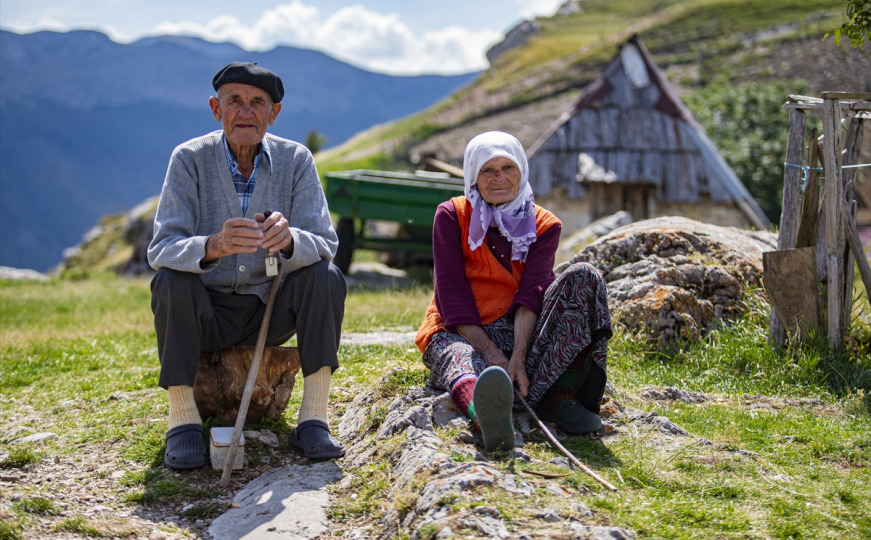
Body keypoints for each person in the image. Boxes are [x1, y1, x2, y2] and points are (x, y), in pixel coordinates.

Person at [148, 62, 347, 469]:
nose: (245, 111)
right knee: (170, 280)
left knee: (325, 277)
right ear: (214, 108)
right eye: (234, 101)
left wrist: (292, 239)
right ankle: (183, 422)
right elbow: (162, 247)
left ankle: (313, 419)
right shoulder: (188, 159)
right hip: (206, 311)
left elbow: (326, 241)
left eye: (257, 102)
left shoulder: (297, 160)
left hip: (269, 309)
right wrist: (212, 246)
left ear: (273, 114)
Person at [415, 131, 612, 452]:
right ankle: (488, 418)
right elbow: (452, 295)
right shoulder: (451, 215)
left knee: (583, 275)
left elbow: (531, 293)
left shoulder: (545, 224)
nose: (499, 178)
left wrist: (518, 358)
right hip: (459, 330)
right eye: (487, 170)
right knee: (461, 360)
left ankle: (560, 395)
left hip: (520, 327)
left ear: (522, 170)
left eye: (508, 168)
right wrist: (492, 354)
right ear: (472, 176)